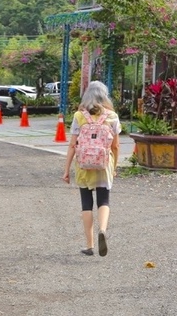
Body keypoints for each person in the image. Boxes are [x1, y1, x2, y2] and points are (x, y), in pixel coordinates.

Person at [62, 80, 120, 257]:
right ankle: (102, 229)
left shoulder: (79, 116)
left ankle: (89, 245)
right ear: (105, 95)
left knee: (86, 202)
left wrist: (66, 171)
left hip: (83, 164)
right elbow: (116, 146)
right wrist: (114, 166)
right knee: (104, 200)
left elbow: (73, 145)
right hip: (104, 164)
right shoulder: (112, 116)